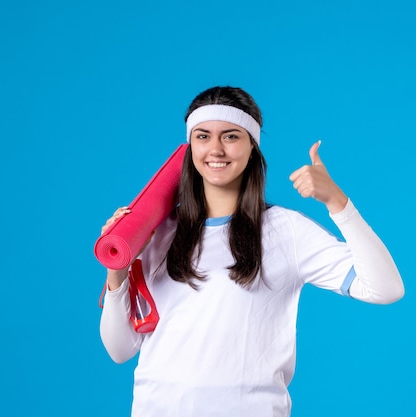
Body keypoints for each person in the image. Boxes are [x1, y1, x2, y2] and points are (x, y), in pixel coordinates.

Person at [98, 86, 404, 417]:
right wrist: (119, 269)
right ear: (190, 147)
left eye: (230, 136)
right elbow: (120, 349)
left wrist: (337, 201)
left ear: (251, 146)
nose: (215, 149)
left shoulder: (285, 231)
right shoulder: (156, 232)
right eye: (203, 137)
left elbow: (386, 288)